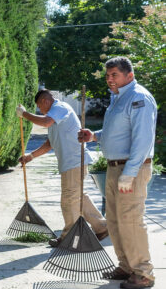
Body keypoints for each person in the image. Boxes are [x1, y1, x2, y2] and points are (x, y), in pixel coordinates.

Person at [78, 56, 157, 289]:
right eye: (107, 75)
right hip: (115, 167)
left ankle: (143, 273)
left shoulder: (139, 98)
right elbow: (116, 131)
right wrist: (94, 136)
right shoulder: (118, 98)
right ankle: (125, 266)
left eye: (115, 75)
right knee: (114, 221)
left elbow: (143, 140)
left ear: (129, 75)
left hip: (131, 169)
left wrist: (129, 173)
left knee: (131, 221)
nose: (109, 79)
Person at [16, 90, 107, 245]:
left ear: (45, 101)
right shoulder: (54, 118)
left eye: (39, 106)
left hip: (74, 161)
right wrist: (30, 157)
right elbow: (49, 144)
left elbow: (44, 122)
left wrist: (25, 114)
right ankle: (102, 227)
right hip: (71, 163)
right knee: (79, 197)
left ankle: (69, 237)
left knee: (68, 200)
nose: (40, 110)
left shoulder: (60, 107)